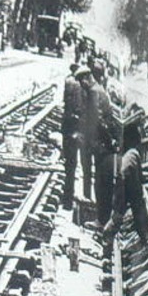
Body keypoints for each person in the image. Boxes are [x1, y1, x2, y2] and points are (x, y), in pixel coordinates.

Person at [102, 114, 148, 241]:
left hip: (122, 181)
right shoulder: (135, 154)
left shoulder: (129, 154)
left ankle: (107, 237)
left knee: (118, 213)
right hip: (128, 183)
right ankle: (145, 237)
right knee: (137, 209)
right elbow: (139, 179)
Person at [80, 61, 117, 216]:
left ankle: (101, 218)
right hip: (102, 143)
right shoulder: (97, 89)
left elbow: (99, 121)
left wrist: (108, 141)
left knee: (102, 183)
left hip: (102, 144)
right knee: (101, 181)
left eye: (81, 80)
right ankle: (101, 215)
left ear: (88, 78)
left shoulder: (94, 92)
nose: (80, 84)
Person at [61, 63, 86, 209]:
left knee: (68, 165)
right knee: (74, 164)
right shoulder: (78, 87)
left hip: (67, 130)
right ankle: (69, 201)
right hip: (75, 131)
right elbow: (79, 109)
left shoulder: (68, 82)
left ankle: (66, 199)